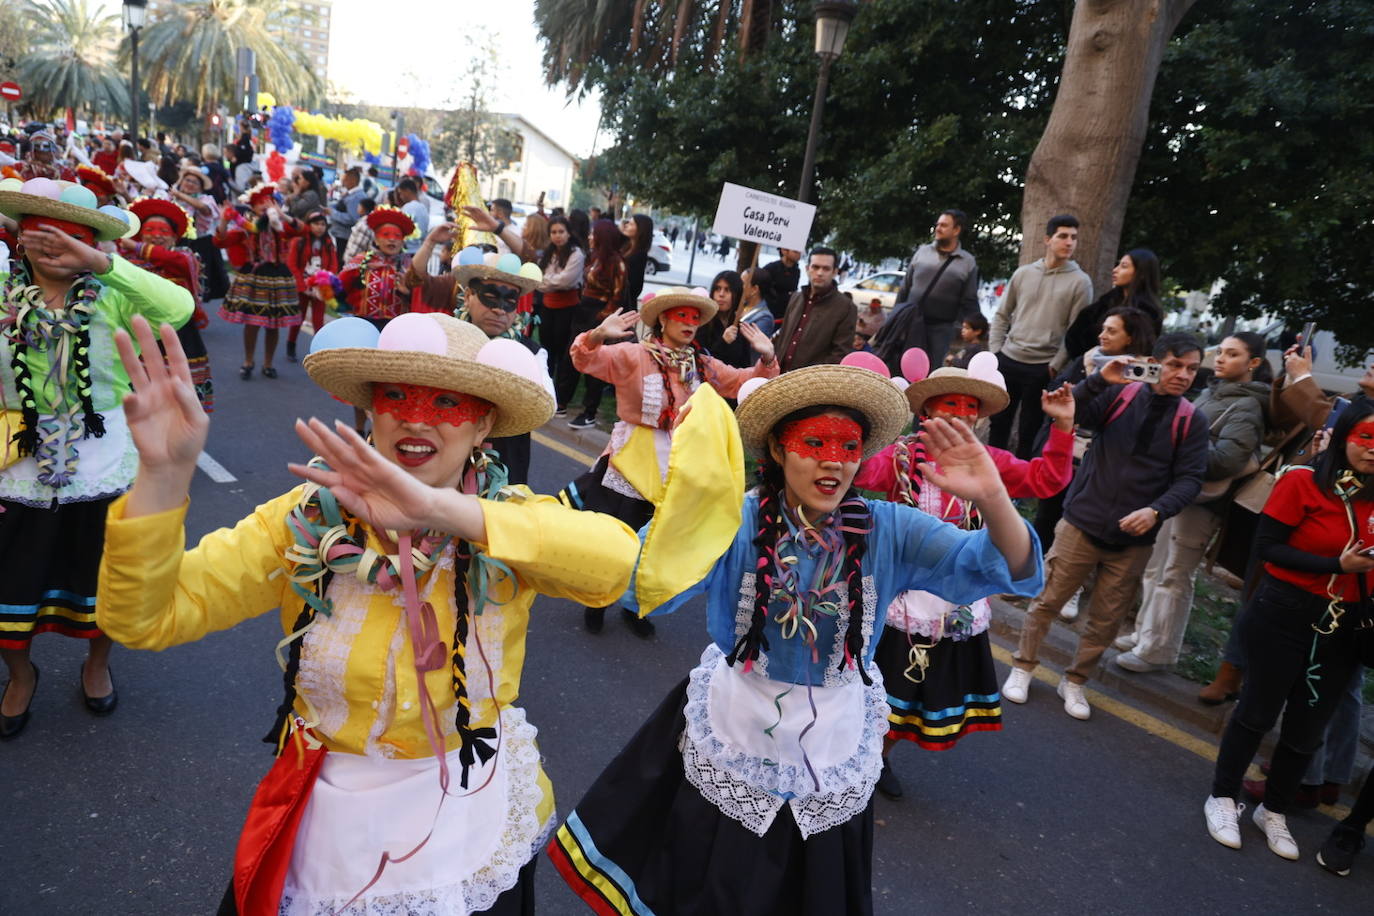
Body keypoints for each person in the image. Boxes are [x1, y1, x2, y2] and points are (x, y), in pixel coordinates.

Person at [96, 308, 641, 913]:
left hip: (471, 812)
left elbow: (615, 564)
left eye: (447, 404)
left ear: (484, 425)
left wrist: (445, 512)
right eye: (396, 397)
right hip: (326, 820)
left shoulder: (508, 519)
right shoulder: (303, 518)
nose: (415, 417)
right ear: (370, 410)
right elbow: (145, 618)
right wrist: (164, 476)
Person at [549, 361, 1043, 914]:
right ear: (780, 451)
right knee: (714, 883)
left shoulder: (888, 529)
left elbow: (1009, 566)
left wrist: (994, 497)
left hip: (835, 740)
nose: (834, 459)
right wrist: (686, 501)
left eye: (849, 445)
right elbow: (636, 575)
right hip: (736, 726)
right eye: (815, 442)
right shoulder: (736, 520)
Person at [0, 184, 193, 740]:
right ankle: (19, 674)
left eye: (69, 238)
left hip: (106, 461)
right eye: (38, 234)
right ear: (19, 238)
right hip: (16, 464)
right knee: (10, 579)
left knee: (106, 579)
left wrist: (106, 265)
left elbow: (178, 308)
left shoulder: (111, 293)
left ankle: (97, 665)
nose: (52, 248)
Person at [854, 362, 1074, 800]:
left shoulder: (988, 463)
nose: (961, 412)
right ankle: (854, 753)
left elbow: (1045, 480)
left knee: (915, 690)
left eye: (970, 406)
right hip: (898, 596)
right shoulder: (900, 456)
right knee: (873, 683)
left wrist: (1063, 426)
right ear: (928, 412)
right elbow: (854, 471)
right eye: (950, 403)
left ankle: (878, 759)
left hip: (955, 602)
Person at [1202, 400, 1374, 861]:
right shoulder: (1303, 480)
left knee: (1307, 727)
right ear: (1344, 439)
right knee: (1256, 712)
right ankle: (1222, 797)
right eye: (1366, 438)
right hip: (1284, 610)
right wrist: (1334, 564)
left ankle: (1273, 809)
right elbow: (1268, 549)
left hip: (1345, 624)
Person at [1003, 333, 1208, 720]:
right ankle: (1022, 667)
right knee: (1047, 600)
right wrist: (1101, 378)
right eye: (1175, 364)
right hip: (1083, 520)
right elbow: (1069, 410)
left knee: (1106, 620)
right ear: (1154, 360)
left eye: (1192, 369)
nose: (1183, 375)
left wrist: (1156, 511)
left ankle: (1075, 681)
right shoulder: (1122, 393)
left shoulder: (1191, 420)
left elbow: (1190, 480)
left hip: (1135, 538)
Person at [559, 289, 779, 636]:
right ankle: (596, 600)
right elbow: (585, 359)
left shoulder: (702, 365)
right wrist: (599, 333)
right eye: (682, 316)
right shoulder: (634, 355)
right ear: (663, 318)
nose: (690, 324)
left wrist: (766, 359)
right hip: (631, 459)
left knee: (657, 540)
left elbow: (742, 383)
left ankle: (638, 607)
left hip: (679, 460)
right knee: (615, 536)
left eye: (695, 318)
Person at [1115, 331, 1271, 673]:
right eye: (1221, 352)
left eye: (1232, 354)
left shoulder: (1246, 404)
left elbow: (1228, 460)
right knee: (1157, 567)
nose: (1221, 359)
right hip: (1177, 493)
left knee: (1175, 573)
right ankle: (1144, 633)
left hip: (1201, 503)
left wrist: (1180, 446)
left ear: (1253, 363)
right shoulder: (1214, 393)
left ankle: (1157, 650)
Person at [407, 243, 546, 485]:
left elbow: (544, 402)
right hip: (441, 455)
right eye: (489, 298)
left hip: (503, 462)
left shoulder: (532, 353)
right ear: (469, 296)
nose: (499, 310)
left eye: (509, 302)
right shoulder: (442, 335)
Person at [1033, 305, 1158, 562]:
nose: (1103, 335)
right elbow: (1056, 393)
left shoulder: (1142, 373)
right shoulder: (1087, 359)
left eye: (1111, 331)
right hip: (1066, 450)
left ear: (1130, 338)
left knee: (1074, 527)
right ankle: (1028, 574)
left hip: (1103, 463)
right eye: (1103, 329)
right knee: (1046, 516)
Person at [988, 214, 1093, 458]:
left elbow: (1075, 331)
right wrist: (996, 352)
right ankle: (986, 481)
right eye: (1063, 236)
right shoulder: (1024, 274)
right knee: (998, 425)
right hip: (1008, 359)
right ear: (1048, 239)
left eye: (1074, 238)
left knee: (1029, 430)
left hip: (1042, 367)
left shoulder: (1081, 282)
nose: (1069, 242)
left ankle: (1020, 489)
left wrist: (1055, 366)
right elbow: (1002, 314)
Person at [118, 197, 215, 413]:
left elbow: (179, 264)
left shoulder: (186, 257)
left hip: (180, 336)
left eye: (163, 231)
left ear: (174, 237)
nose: (156, 235)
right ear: (141, 233)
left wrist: (140, 248)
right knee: (142, 402)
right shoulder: (128, 262)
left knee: (181, 404)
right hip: (140, 336)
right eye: (150, 229)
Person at [876, 210, 980, 370]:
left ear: (956, 230)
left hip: (940, 330)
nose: (938, 228)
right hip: (909, 324)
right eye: (937, 224)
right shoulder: (922, 252)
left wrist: (976, 326)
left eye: (944, 225)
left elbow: (969, 299)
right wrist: (894, 317)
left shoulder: (967, 262)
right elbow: (905, 288)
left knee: (929, 372)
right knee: (899, 366)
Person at [217, 184, 302, 380]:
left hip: (278, 277)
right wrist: (223, 219)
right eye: (260, 203)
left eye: (269, 202)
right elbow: (221, 240)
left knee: (273, 324)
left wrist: (282, 214)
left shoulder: (282, 226)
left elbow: (301, 229)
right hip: (254, 277)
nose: (265, 206)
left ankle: (268, 363)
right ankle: (248, 361)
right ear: (253, 208)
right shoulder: (246, 227)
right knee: (252, 323)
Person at [566, 219, 627, 430]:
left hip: (599, 314)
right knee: (574, 353)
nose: (590, 237)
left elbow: (617, 295)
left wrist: (602, 319)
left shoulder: (616, 262)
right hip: (583, 309)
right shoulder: (594, 257)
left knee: (595, 364)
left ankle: (589, 411)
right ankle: (564, 400)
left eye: (595, 234)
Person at [1062, 248, 1164, 363]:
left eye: (1124, 266)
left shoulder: (1148, 312)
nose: (1115, 270)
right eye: (1118, 265)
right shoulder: (1105, 303)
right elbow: (1075, 335)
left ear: (1141, 274)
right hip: (1089, 368)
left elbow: (1142, 349)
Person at [773, 246, 857, 371]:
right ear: (808, 269)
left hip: (812, 384)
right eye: (815, 267)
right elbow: (784, 335)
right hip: (780, 376)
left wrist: (814, 380)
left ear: (835, 272)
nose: (820, 273)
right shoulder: (796, 297)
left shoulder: (846, 307)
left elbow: (840, 354)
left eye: (826, 268)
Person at [537, 215, 585, 414]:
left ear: (568, 233)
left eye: (561, 232)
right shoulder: (550, 253)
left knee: (563, 353)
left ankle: (560, 399)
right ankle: (545, 393)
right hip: (548, 306)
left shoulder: (576, 254)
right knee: (547, 351)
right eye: (553, 232)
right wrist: (548, 281)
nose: (557, 236)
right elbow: (539, 278)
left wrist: (545, 281)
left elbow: (565, 280)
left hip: (568, 308)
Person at [284, 209, 340, 362]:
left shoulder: (329, 244)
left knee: (318, 319)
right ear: (308, 225)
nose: (320, 227)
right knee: (298, 318)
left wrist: (327, 280)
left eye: (323, 224)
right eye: (316, 224)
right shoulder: (299, 241)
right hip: (302, 286)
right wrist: (302, 286)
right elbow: (292, 265)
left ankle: (319, 351)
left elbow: (333, 265)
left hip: (321, 286)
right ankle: (291, 344)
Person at [172, 164, 229, 301]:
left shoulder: (206, 199)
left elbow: (204, 209)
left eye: (195, 183)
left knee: (197, 285)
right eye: (188, 180)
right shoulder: (172, 198)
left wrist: (180, 194)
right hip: (176, 245)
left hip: (200, 245)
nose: (190, 184)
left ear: (201, 187)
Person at [695, 269, 754, 369]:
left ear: (737, 294)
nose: (721, 294)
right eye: (717, 289)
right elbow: (700, 361)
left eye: (727, 290)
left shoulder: (739, 327)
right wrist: (723, 342)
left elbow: (745, 366)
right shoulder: (703, 323)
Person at [328, 166, 368, 254]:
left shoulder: (356, 197)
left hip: (344, 236)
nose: (342, 181)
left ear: (352, 180)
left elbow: (352, 218)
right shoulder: (352, 194)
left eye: (344, 179)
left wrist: (333, 213)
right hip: (341, 234)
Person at [619, 213, 653, 310]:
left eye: (631, 224)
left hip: (623, 307)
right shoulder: (625, 246)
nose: (626, 225)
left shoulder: (639, 255)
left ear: (640, 230)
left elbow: (636, 286)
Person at [759, 247, 801, 320]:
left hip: (784, 313)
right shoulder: (771, 268)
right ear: (784, 251)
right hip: (767, 312)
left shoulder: (796, 271)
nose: (799, 254)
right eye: (796, 251)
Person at [737, 266, 775, 337]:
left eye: (742, 283)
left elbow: (752, 345)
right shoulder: (739, 305)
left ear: (754, 289)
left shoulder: (764, 318)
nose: (738, 286)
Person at [395, 177, 430, 255]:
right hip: (419, 250)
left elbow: (401, 229)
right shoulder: (423, 207)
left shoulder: (408, 207)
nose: (400, 196)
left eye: (401, 193)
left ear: (407, 191)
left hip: (408, 251)